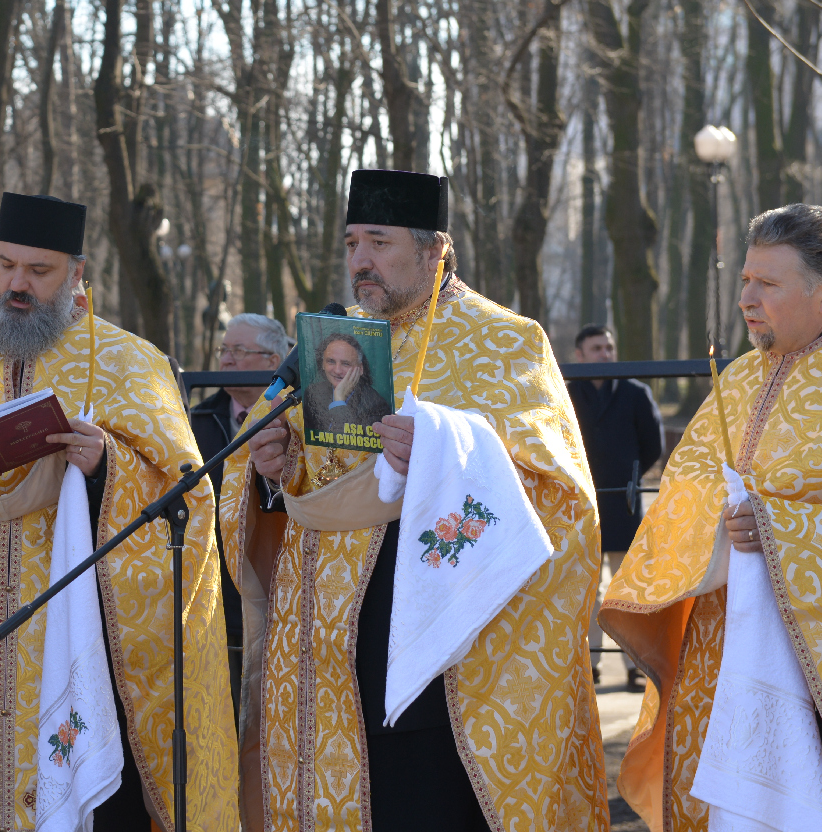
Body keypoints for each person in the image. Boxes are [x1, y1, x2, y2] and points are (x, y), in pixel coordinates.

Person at [225, 169, 605, 832]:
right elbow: (289, 475)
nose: (360, 261)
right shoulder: (332, 343)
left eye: (378, 242)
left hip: (448, 653)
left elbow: (558, 486)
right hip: (328, 646)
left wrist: (444, 448)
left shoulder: (506, 340)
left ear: (435, 250)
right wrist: (272, 466)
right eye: (350, 244)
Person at [0, 192, 237, 831]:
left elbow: (189, 501)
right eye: (6, 265)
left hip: (80, 631)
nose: (17, 284)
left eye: (38, 272)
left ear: (76, 274)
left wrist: (106, 470)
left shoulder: (127, 363)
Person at [602, 204, 822, 832]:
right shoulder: (736, 378)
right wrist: (719, 522)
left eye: (768, 284)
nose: (747, 300)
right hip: (723, 649)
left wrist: (783, 531)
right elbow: (684, 485)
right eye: (744, 282)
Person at [188, 312, 289, 715]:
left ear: (272, 361)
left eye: (239, 351)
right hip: (212, 592)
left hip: (275, 579)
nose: (226, 360)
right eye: (224, 350)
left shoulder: (297, 420)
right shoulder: (194, 420)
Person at [567, 323, 660, 691]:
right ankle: (590, 665)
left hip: (623, 501)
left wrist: (632, 477)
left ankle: (635, 666)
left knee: (626, 590)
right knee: (587, 590)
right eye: (596, 348)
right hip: (581, 504)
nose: (605, 354)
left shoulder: (636, 393)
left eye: (608, 347)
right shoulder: (566, 392)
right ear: (579, 355)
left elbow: (650, 443)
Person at [303, 330, 390, 435]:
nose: (337, 370)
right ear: (322, 364)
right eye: (331, 361)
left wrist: (339, 401)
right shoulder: (313, 393)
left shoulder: (376, 406)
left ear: (360, 369)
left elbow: (347, 442)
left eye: (345, 364)